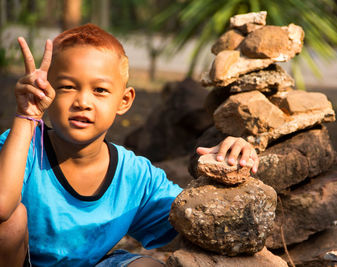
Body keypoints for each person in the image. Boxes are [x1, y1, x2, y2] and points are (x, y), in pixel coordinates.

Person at [0, 24, 259, 266]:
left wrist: (225, 162)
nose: (82, 101)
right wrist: (27, 115)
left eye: (100, 90)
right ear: (47, 92)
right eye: (67, 87)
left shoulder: (134, 176)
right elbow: (2, 205)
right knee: (10, 222)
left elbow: (193, 222)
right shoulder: (24, 146)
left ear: (124, 101)